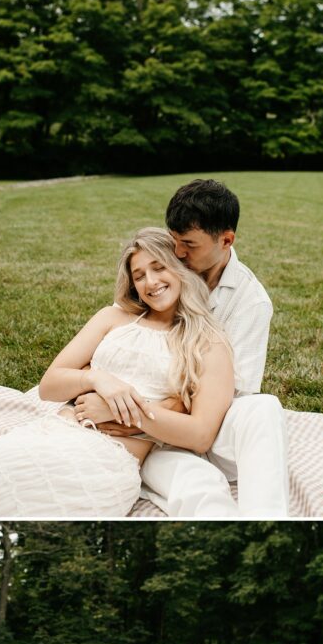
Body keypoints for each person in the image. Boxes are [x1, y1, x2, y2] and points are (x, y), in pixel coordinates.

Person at [0, 227, 235, 517]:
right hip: (55, 433)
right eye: (139, 276)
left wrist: (118, 411)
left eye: (159, 267)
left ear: (180, 268)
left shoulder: (208, 343)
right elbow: (49, 386)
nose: (150, 282)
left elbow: (201, 435)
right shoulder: (112, 318)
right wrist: (99, 379)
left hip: (107, 463)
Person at [77, 180, 289, 517]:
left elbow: (236, 392)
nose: (177, 254)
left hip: (201, 427)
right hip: (153, 438)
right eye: (174, 242)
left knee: (263, 408)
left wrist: (134, 413)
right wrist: (107, 389)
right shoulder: (164, 272)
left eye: (188, 245)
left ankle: (268, 517)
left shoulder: (251, 302)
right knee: (197, 489)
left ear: (226, 240)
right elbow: (119, 345)